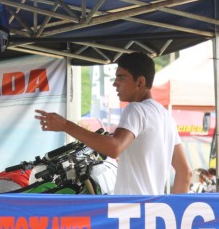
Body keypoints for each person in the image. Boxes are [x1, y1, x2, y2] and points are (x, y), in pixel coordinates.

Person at [35, 52, 192, 195]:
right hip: (153, 213)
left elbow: (114, 147)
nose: (115, 83)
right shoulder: (166, 117)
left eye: (122, 78)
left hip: (131, 211)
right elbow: (185, 173)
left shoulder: (136, 109)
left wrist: (65, 125)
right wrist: (174, 214)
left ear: (140, 82)